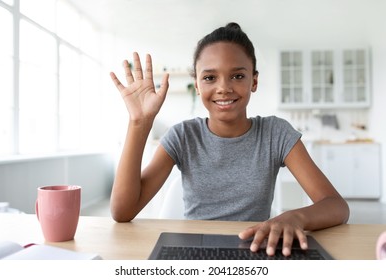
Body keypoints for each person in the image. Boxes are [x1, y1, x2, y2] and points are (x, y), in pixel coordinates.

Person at [109, 22, 349, 257]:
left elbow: (336, 206)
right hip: (195, 253)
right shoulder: (183, 136)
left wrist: (295, 216)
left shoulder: (275, 134)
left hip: (254, 250)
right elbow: (122, 211)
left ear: (253, 81)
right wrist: (139, 123)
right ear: (198, 85)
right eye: (210, 78)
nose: (223, 87)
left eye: (237, 76)